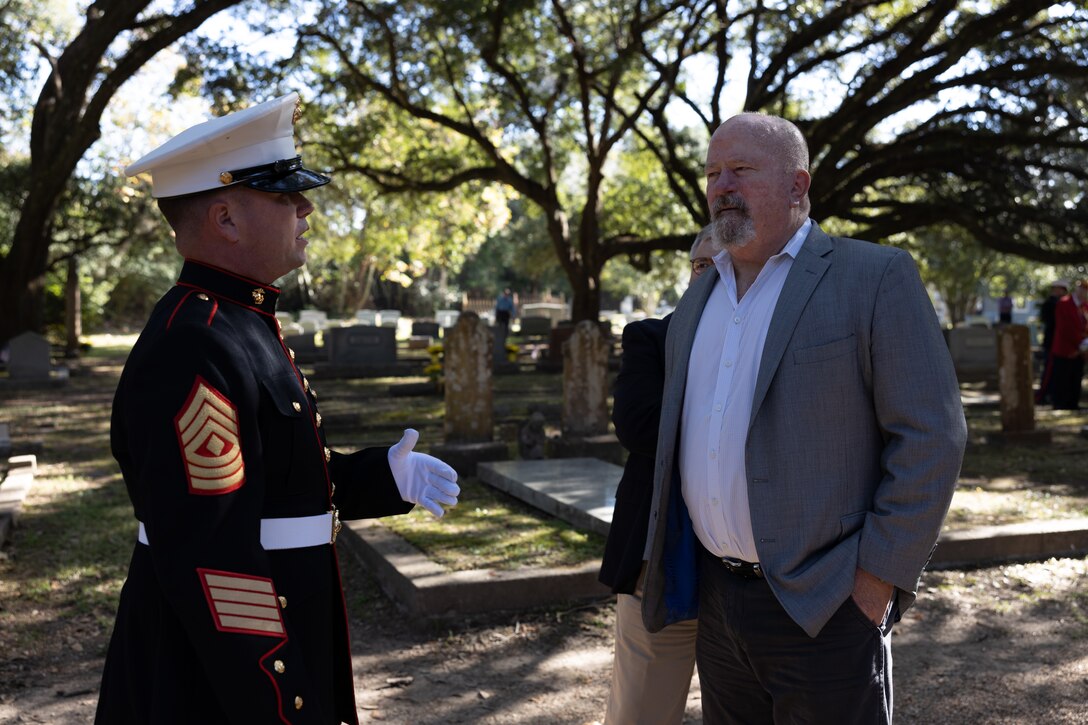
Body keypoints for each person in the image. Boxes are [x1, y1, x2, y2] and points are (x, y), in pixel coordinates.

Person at [95, 93, 461, 724]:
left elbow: (269, 486)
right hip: (216, 680)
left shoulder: (240, 320)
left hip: (269, 642)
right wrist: (281, 697)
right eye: (285, 196)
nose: (305, 208)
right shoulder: (195, 343)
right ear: (226, 219)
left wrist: (381, 477)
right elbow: (213, 554)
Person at [640, 112, 967, 723]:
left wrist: (876, 581)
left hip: (828, 605)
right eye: (712, 172)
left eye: (741, 169)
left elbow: (932, 434)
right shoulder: (702, 292)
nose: (721, 185)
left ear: (798, 185)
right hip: (719, 604)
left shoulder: (873, 276)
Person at [600, 226, 715, 725]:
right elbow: (638, 423)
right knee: (642, 710)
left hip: (754, 575)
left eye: (726, 265)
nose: (709, 276)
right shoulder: (651, 338)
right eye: (700, 266)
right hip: (661, 559)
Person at [1049, 279, 1088, 410]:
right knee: (1062, 377)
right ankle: (1059, 403)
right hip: (1065, 348)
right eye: (1083, 290)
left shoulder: (1085, 307)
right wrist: (1078, 344)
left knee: (1075, 377)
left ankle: (1073, 403)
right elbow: (1064, 328)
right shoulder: (1064, 303)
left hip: (1080, 350)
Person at [1036, 279, 1069, 405]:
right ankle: (1043, 395)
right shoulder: (1050, 304)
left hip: (1059, 343)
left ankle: (1051, 394)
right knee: (1049, 370)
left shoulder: (1061, 303)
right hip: (1052, 343)